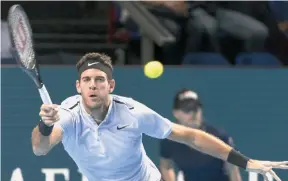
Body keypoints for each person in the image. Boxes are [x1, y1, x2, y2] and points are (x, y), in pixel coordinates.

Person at [31, 52, 287, 181]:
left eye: (99, 80)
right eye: (87, 80)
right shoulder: (68, 114)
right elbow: (40, 149)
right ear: (78, 86)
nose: (93, 85)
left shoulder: (133, 113)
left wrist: (245, 162)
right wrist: (44, 125)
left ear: (111, 85)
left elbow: (190, 136)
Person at [160, 89, 242, 181]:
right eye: (187, 109)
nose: (193, 113)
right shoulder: (169, 140)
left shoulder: (219, 137)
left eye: (196, 108)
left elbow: (232, 168)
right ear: (176, 113)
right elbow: (166, 165)